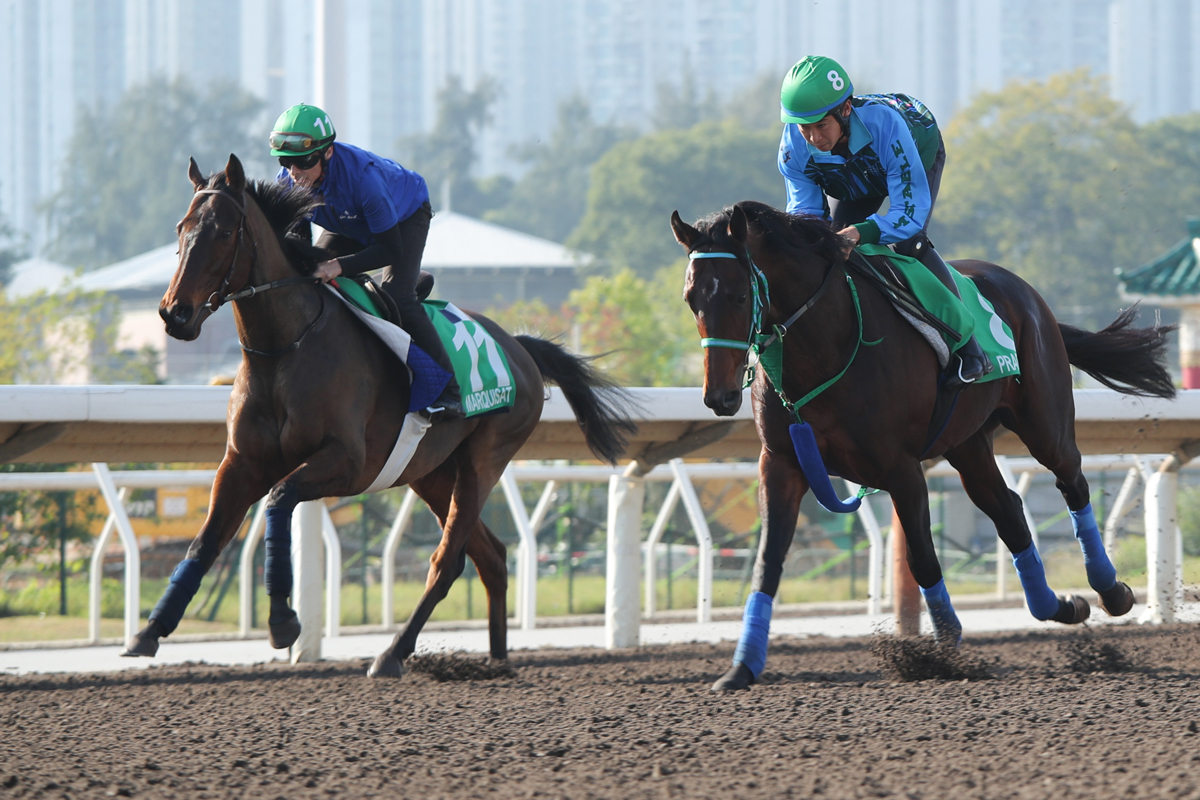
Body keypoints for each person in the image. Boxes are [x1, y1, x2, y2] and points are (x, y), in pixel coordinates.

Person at [777, 56, 992, 388]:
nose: (814, 138)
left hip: (914, 149)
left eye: (821, 126)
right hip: (853, 175)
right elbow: (806, 217)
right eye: (804, 127)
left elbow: (907, 213)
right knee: (829, 249)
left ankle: (969, 349)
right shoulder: (794, 147)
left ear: (845, 110)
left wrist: (862, 232)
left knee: (909, 242)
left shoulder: (886, 125)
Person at [269, 103, 462, 418]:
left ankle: (449, 390)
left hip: (403, 218)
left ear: (327, 153)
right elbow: (300, 243)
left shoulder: (364, 180)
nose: (295, 173)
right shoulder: (289, 181)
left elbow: (389, 250)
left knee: (398, 297)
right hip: (349, 223)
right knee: (308, 279)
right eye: (286, 162)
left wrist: (339, 266)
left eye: (302, 162)